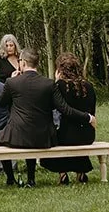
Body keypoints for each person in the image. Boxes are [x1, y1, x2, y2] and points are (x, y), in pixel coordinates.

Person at [0, 48, 96, 187]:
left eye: (19, 61)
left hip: (19, 135)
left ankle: (10, 178)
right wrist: (88, 117)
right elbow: (62, 108)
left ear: (23, 63)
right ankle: (31, 178)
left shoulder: (11, 82)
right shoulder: (49, 84)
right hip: (44, 136)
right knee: (35, 135)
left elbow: (0, 103)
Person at [41, 52, 99, 184]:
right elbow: (92, 111)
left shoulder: (59, 86)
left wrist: (56, 82)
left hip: (66, 135)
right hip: (87, 135)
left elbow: (54, 109)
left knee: (59, 135)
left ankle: (62, 173)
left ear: (60, 69)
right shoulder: (88, 86)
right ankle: (81, 172)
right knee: (75, 134)